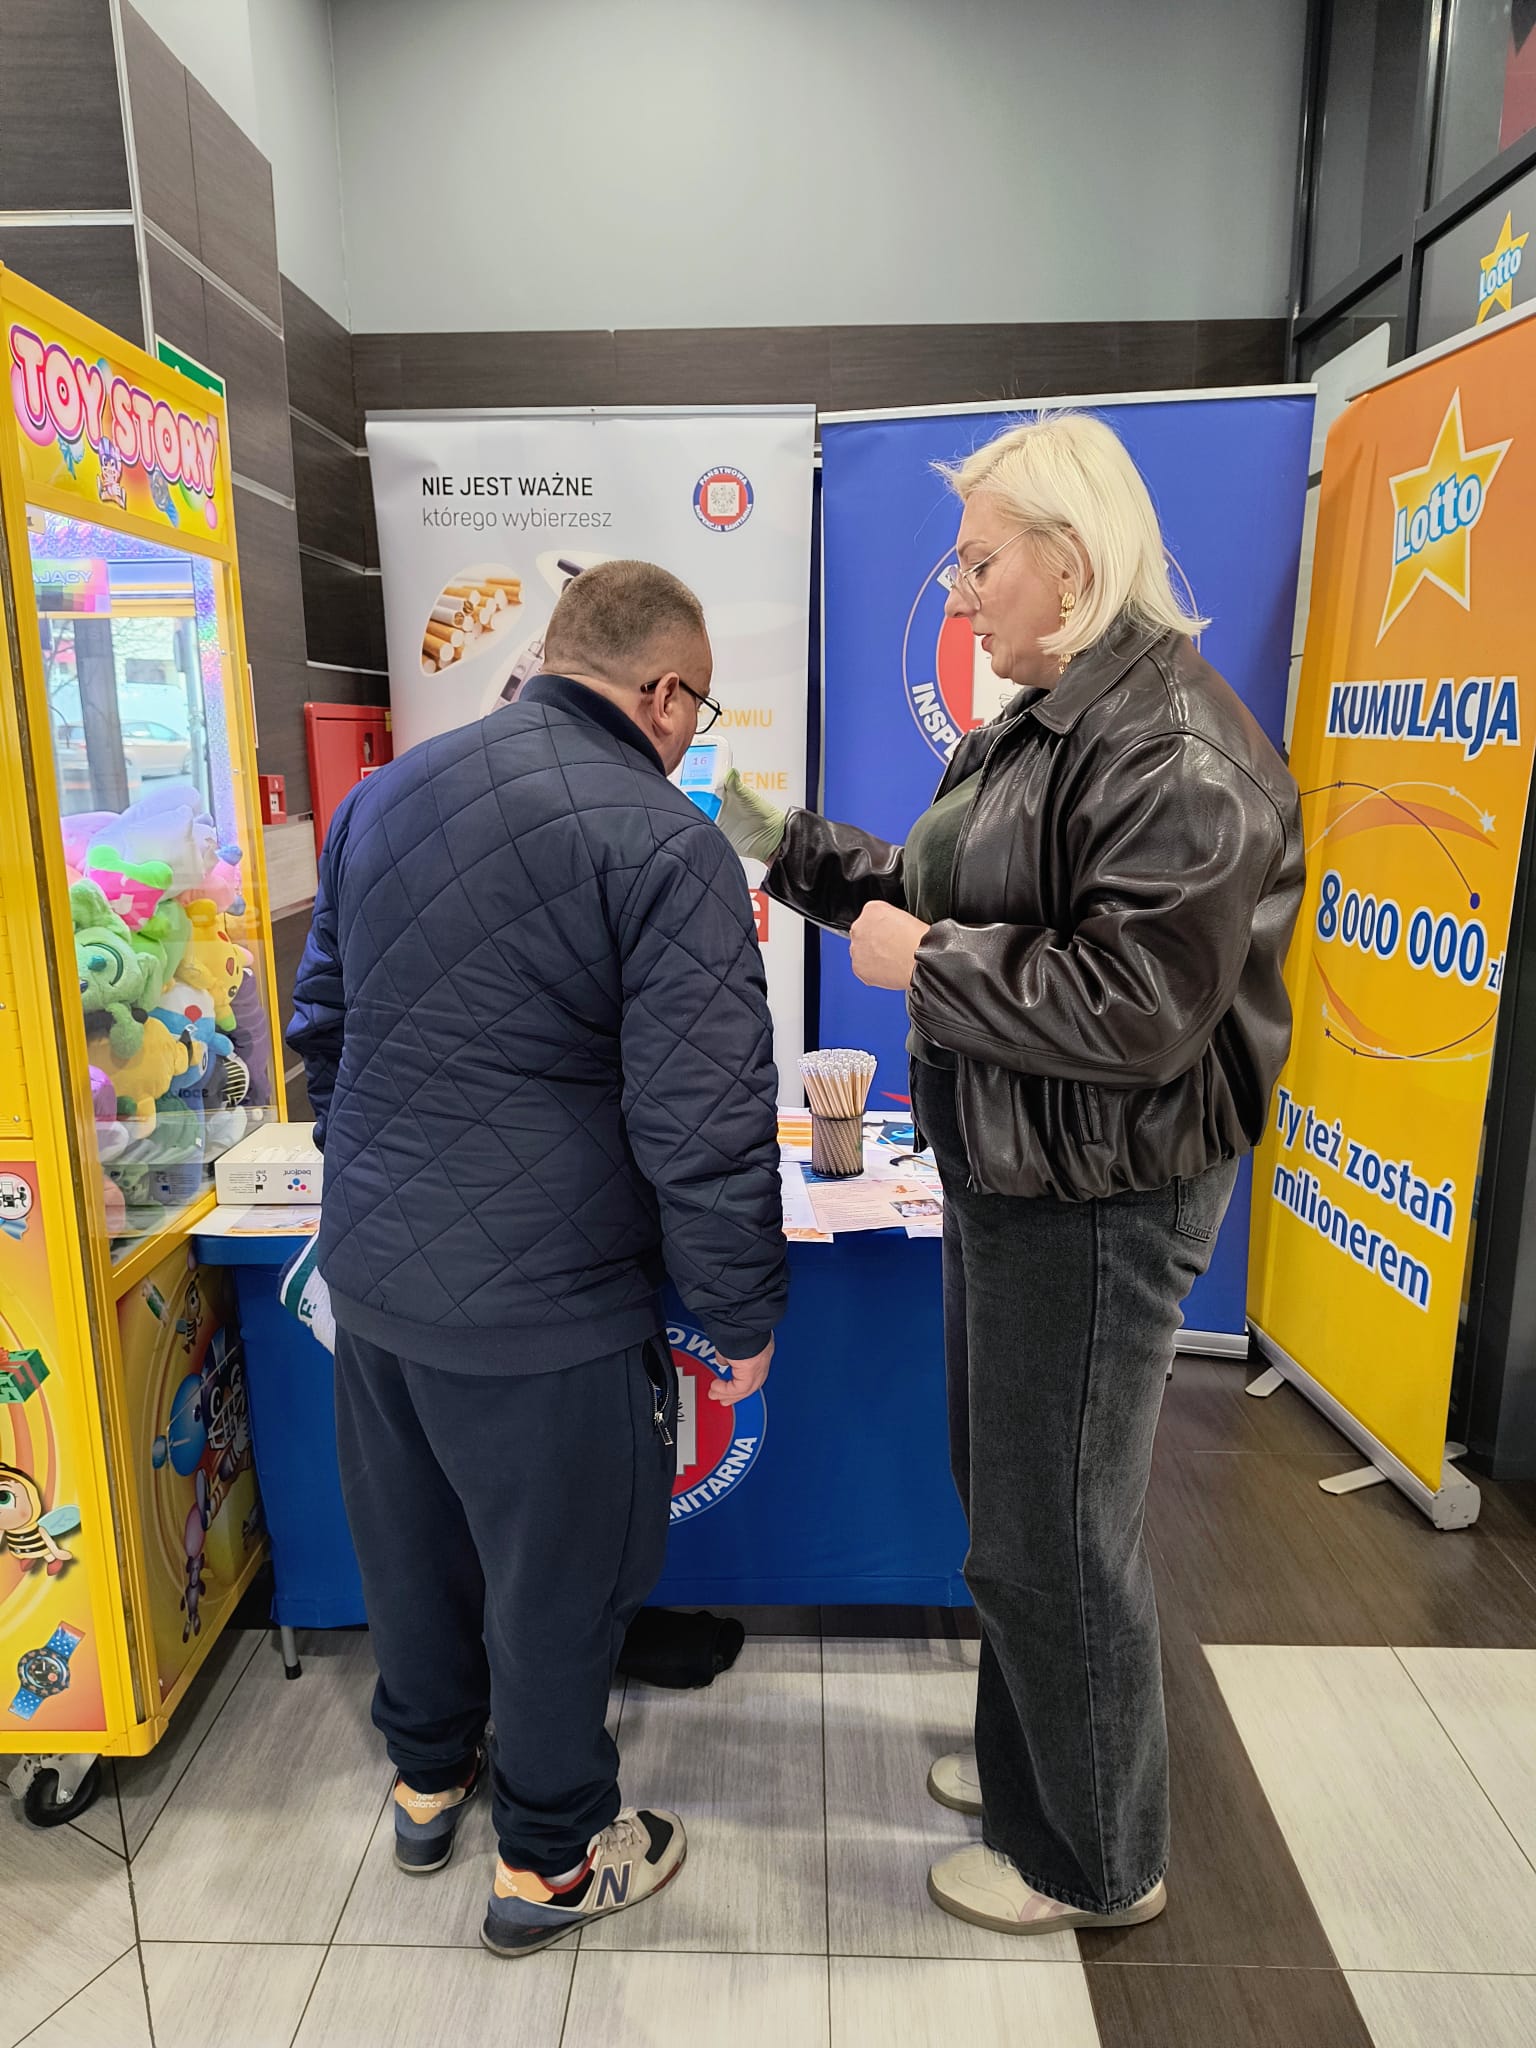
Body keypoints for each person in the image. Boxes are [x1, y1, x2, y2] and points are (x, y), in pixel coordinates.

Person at [720, 411, 1303, 1936]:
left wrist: (929, 966)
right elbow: (934, 885)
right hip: (1015, 1169)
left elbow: (1136, 1008)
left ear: (1075, 562)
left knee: (1056, 1534)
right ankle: (1037, 1764)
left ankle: (1091, 1859)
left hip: (1096, 1194)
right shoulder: (1042, 720)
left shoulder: (1174, 753)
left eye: (982, 561)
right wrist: (775, 839)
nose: (962, 590)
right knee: (1015, 1514)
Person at [288, 559, 786, 1959]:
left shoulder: (386, 796)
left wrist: (390, 1182)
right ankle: (552, 1861)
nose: (690, 736)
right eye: (698, 711)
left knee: (413, 1552)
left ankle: (426, 1777)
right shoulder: (665, 841)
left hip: (375, 1284)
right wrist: (742, 1311)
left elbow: (324, 1024)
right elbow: (702, 1124)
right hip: (548, 1306)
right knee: (559, 1585)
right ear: (666, 694)